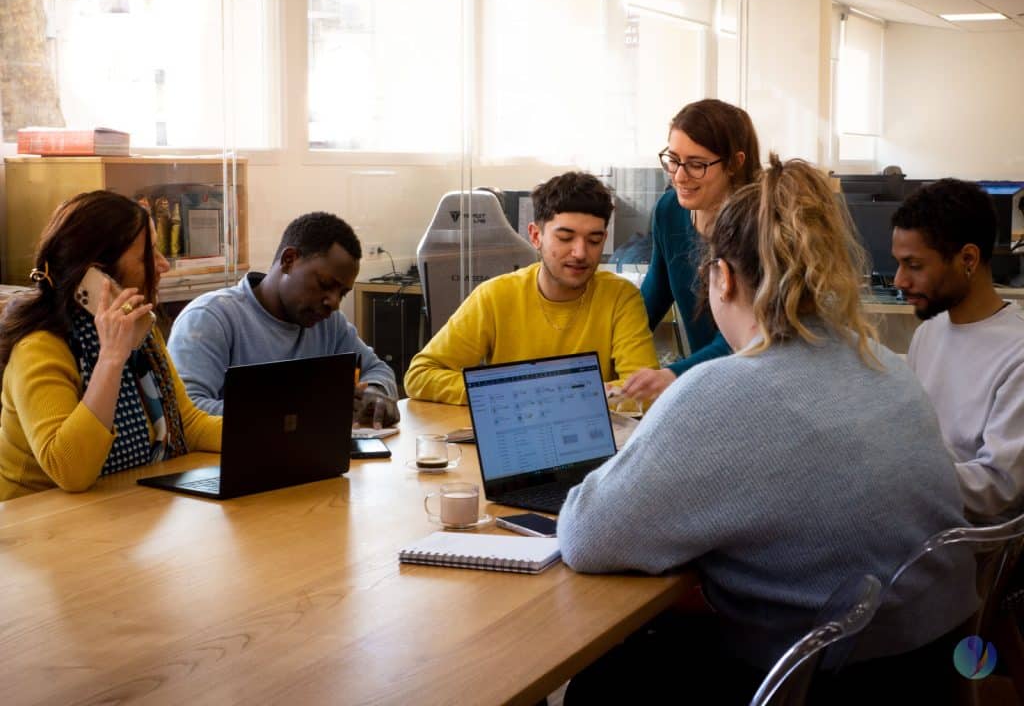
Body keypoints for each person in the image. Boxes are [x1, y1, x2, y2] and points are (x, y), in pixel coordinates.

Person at [556, 157, 967, 703]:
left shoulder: (720, 390)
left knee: (603, 679)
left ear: (722, 277)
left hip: (812, 678)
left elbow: (586, 537)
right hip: (925, 670)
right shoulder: (885, 364)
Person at [0, 191, 222, 501]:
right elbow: (70, 469)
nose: (162, 265)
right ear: (97, 276)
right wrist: (111, 360)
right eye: (149, 255)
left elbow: (188, 424)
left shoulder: (140, 330)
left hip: (116, 506)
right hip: (38, 523)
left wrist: (259, 433)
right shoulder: (38, 347)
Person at [404, 172, 659, 405]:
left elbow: (646, 392)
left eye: (593, 240)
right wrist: (511, 393)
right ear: (535, 236)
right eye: (565, 238)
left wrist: (542, 394)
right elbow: (420, 375)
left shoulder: (620, 297)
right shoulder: (495, 296)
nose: (580, 253)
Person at [168, 212, 399, 427]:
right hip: (221, 466)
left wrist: (375, 394)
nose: (334, 302)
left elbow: (379, 370)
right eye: (325, 285)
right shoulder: (210, 318)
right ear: (289, 260)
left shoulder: (329, 323)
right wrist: (302, 410)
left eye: (342, 293)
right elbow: (187, 412)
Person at [892, 179, 1024, 521]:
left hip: (965, 542)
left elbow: (998, 488)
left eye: (914, 265)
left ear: (968, 258)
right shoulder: (929, 333)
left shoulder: (1017, 354)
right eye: (899, 263)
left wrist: (895, 480)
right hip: (918, 517)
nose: (899, 281)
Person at [620, 98, 761, 403]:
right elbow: (652, 298)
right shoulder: (669, 210)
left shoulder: (758, 226)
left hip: (753, 385)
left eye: (697, 165)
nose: (680, 176)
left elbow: (748, 334)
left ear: (735, 163)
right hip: (702, 385)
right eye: (673, 159)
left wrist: (674, 374)